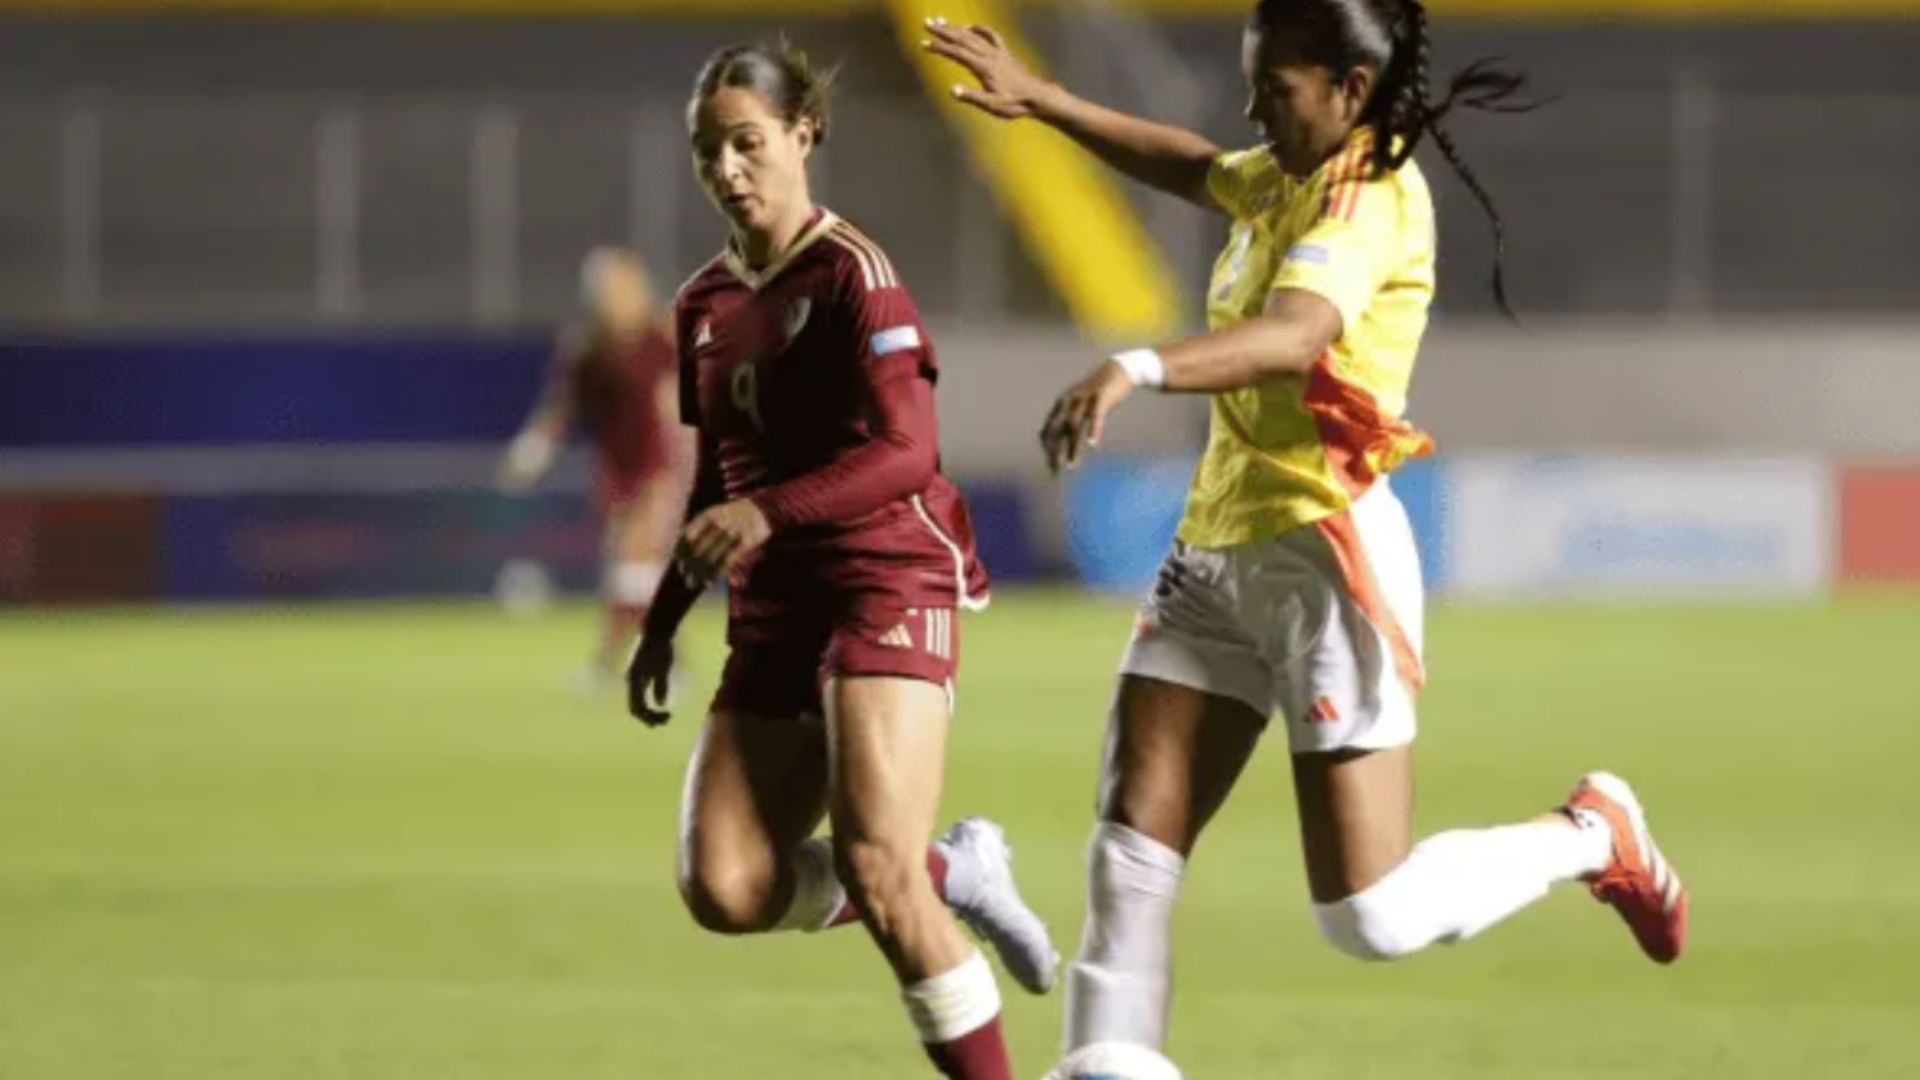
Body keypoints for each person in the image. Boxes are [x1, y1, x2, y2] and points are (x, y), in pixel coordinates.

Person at [927, 0, 1689, 1064]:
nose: (1250, 108)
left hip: (1325, 558)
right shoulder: (1287, 171)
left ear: (1349, 91)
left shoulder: (1370, 201)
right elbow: (1194, 165)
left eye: (1272, 89)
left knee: (1366, 916)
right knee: (1128, 853)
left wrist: (1136, 366)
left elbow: (1291, 338)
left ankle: (1590, 833)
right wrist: (1044, 101)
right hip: (1214, 550)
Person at [624, 42, 1058, 1080]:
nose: (728, 171)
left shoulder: (853, 272)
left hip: (884, 576)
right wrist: (661, 618)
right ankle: (956, 867)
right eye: (708, 153)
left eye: (747, 143)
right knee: (724, 885)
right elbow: (710, 483)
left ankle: (930, 894)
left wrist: (769, 512)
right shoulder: (699, 307)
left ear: (803, 134)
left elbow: (906, 453)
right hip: (773, 609)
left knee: (876, 869)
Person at [498, 248, 694, 682]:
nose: (610, 299)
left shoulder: (661, 336)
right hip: (615, 468)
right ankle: (650, 660)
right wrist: (533, 449)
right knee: (626, 574)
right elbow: (561, 407)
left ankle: (631, 663)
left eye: (618, 288)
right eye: (602, 291)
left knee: (635, 560)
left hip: (661, 466)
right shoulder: (587, 348)